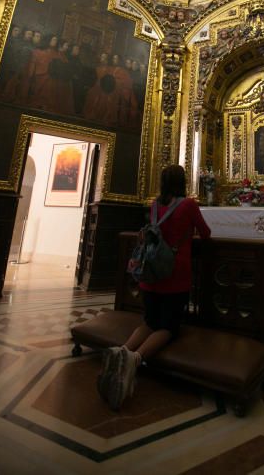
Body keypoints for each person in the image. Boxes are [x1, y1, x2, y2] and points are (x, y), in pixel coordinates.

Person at [97, 165, 211, 410]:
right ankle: (134, 360)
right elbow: (206, 233)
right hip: (175, 273)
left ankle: (122, 350)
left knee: (149, 321)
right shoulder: (189, 205)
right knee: (168, 327)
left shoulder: (155, 205)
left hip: (151, 271)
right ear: (183, 182)